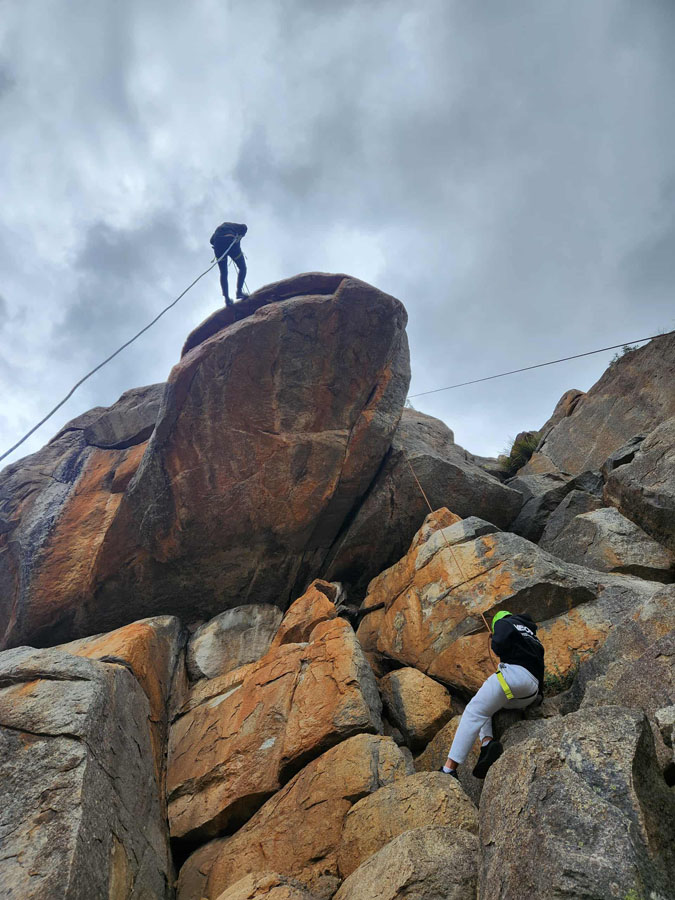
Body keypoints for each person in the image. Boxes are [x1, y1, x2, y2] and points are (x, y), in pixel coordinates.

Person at [441, 610, 544, 780]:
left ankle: (448, 769)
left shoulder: (505, 622)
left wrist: (495, 636)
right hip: (531, 691)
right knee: (488, 706)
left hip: (513, 677)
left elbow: (499, 644)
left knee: (474, 711)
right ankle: (487, 744)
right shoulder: (531, 635)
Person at [210, 221, 248, 306]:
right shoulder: (238, 226)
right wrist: (240, 236)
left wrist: (217, 244)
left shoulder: (219, 230)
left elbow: (211, 241)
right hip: (230, 241)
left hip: (218, 247)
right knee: (243, 268)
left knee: (223, 273)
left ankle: (227, 299)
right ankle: (239, 292)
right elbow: (244, 227)